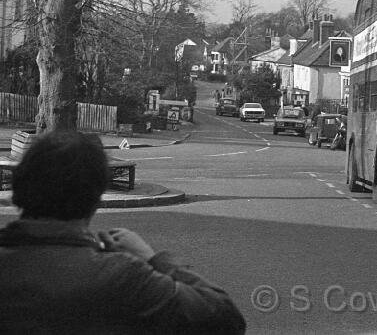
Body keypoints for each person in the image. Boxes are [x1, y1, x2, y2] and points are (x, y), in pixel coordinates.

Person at [0, 131, 246, 334]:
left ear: (19, 187)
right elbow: (224, 319)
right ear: (95, 199)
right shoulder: (121, 276)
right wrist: (152, 258)